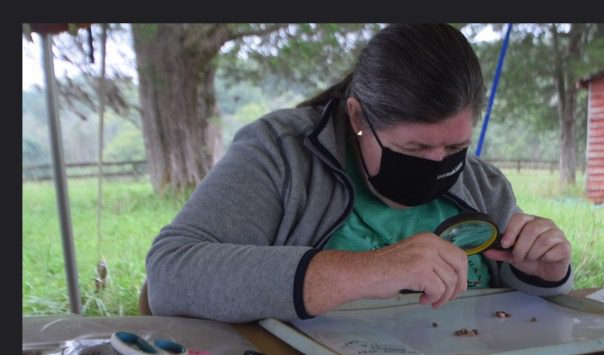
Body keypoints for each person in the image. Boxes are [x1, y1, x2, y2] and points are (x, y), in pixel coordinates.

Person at [145, 23, 573, 323]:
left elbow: (518, 316)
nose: (438, 162)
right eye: (415, 147)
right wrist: (372, 270)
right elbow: (170, 275)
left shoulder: (484, 185)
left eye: (456, 146)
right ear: (357, 117)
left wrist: (543, 272)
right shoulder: (281, 155)